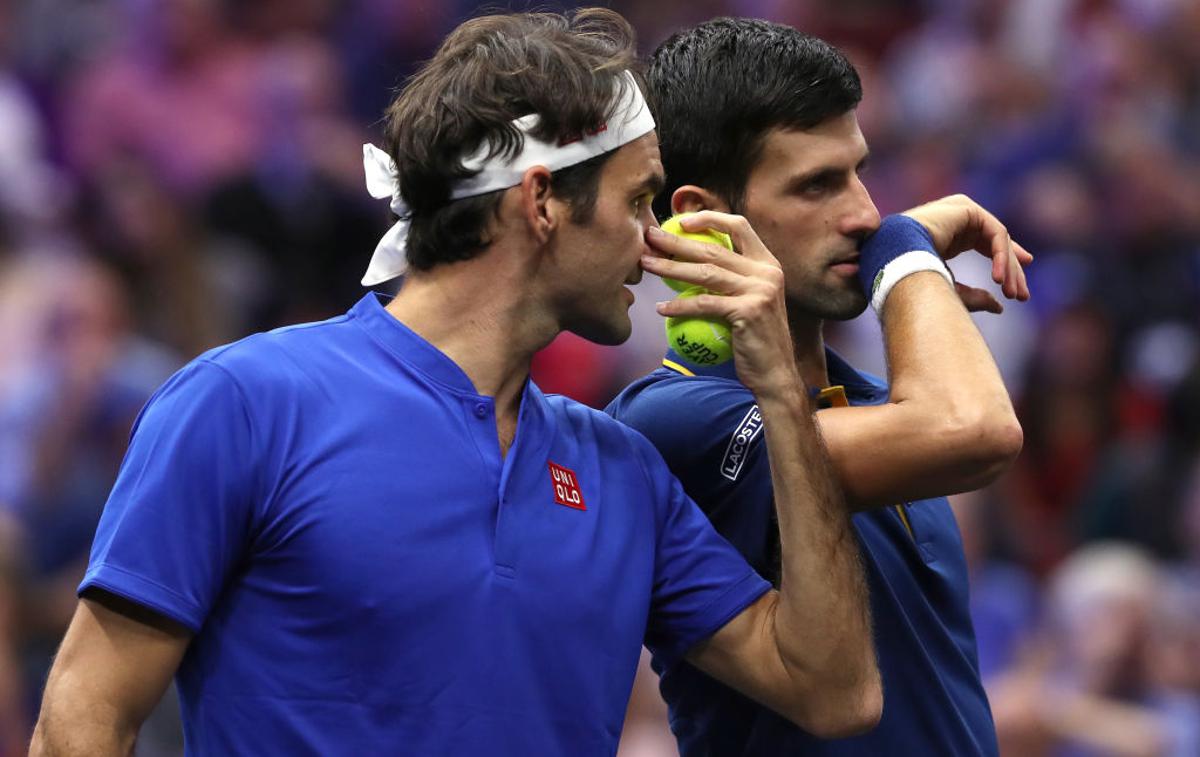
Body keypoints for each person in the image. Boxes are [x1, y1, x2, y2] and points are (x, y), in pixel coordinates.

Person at [30, 10, 882, 755]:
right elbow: (83, 719)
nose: (658, 244)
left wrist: (781, 397)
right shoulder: (245, 401)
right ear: (542, 201)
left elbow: (834, 691)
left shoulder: (624, 471)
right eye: (638, 203)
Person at [607, 17, 1030, 756]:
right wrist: (906, 253)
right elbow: (977, 428)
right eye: (816, 185)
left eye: (860, 171)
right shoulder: (672, 423)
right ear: (703, 220)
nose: (866, 213)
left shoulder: (877, 401)